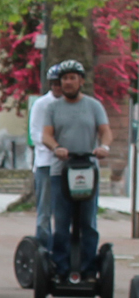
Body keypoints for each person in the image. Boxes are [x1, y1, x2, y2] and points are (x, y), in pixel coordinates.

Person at [42, 60, 113, 283]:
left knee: (88, 223)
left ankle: (89, 270)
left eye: (73, 78)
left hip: (88, 171)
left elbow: (106, 131)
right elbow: (46, 135)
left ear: (81, 81)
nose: (68, 82)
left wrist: (104, 148)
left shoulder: (94, 106)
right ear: (60, 83)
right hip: (61, 172)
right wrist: (57, 148)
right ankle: (62, 269)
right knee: (61, 223)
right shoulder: (52, 107)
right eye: (64, 79)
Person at [29, 64, 65, 241]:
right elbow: (36, 134)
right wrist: (54, 148)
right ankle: (43, 245)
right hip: (46, 163)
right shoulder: (42, 104)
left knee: (64, 209)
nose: (57, 87)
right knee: (45, 209)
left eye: (60, 83)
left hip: (67, 163)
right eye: (54, 83)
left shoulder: (69, 104)